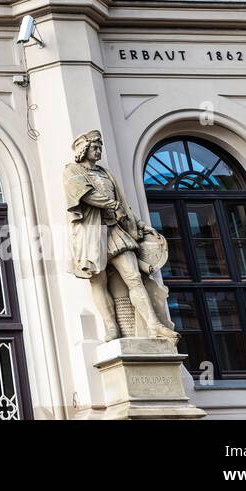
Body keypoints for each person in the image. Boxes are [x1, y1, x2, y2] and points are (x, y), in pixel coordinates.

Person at [64, 130, 177, 341]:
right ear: (83, 150)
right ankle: (111, 327)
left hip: (116, 230)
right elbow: (85, 194)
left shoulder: (106, 174)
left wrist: (142, 226)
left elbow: (125, 206)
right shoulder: (72, 170)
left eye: (100, 147)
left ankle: (153, 325)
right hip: (91, 234)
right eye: (94, 147)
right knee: (98, 281)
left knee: (134, 278)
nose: (98, 151)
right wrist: (113, 205)